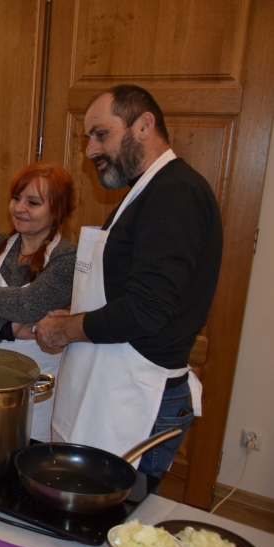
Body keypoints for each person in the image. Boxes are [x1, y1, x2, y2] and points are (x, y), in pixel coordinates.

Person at [35, 84, 223, 479]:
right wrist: (78, 314)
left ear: (144, 125)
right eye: (88, 138)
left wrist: (66, 329)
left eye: (101, 134)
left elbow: (147, 310)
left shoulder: (175, 193)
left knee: (120, 509)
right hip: (113, 387)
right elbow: (127, 290)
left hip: (139, 397)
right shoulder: (144, 191)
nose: (90, 150)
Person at [0, 162, 76, 441]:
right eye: (17, 198)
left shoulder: (67, 258)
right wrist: (10, 329)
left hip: (35, 387)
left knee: (25, 449)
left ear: (57, 210)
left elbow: (30, 304)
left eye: (33, 202)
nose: (19, 208)